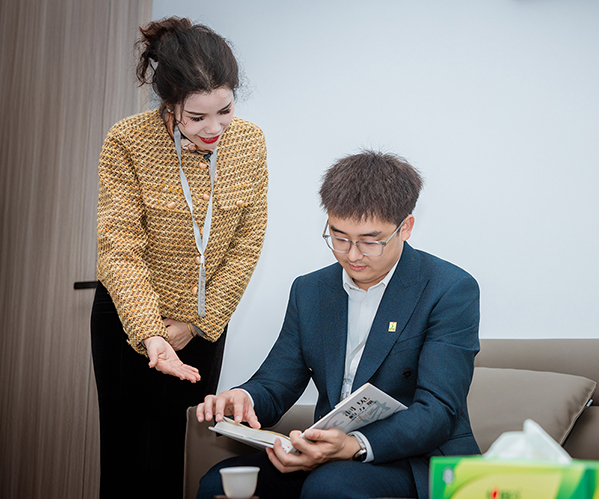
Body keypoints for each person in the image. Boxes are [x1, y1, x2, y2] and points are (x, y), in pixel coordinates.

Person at [195, 150, 479, 499]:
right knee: (218, 482)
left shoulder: (449, 288)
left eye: (370, 241)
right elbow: (276, 383)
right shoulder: (311, 290)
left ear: (405, 228)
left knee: (331, 485)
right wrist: (244, 398)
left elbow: (439, 410)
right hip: (330, 456)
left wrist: (354, 445)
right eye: (339, 237)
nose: (352, 255)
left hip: (418, 461)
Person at [90, 17, 268, 499]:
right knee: (127, 457)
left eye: (224, 111)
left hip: (203, 324)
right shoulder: (128, 140)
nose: (214, 128)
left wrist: (194, 324)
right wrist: (151, 332)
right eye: (197, 117)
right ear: (169, 103)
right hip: (129, 321)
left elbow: (247, 243)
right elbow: (119, 246)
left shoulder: (249, 143)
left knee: (179, 451)